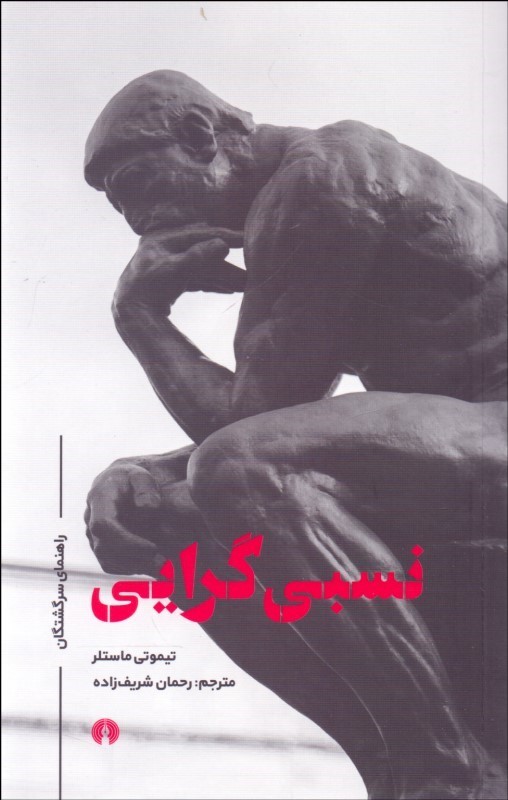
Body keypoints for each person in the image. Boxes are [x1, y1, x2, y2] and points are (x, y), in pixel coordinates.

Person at [84, 71, 507, 799]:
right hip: (471, 436)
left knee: (240, 470)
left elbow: (250, 428)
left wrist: (140, 316)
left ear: (201, 135)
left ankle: (442, 772)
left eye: (137, 185)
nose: (136, 220)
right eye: (120, 205)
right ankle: (398, 767)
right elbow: (276, 419)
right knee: (166, 511)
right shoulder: (305, 190)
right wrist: (149, 472)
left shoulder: (321, 179)